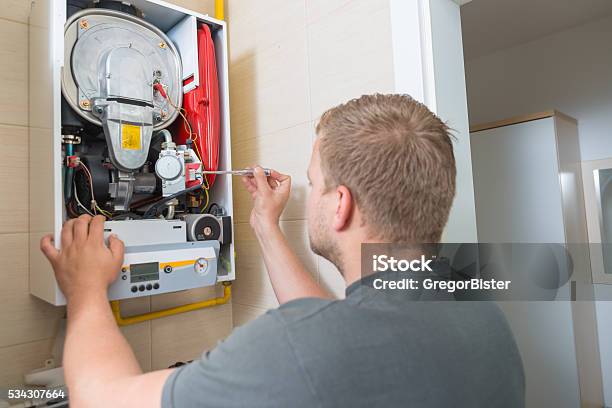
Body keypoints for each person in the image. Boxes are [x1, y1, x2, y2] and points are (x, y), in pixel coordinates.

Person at [41, 94, 525, 407]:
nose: (308, 191)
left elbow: (101, 398)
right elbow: (337, 331)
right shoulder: (482, 316)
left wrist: (84, 291)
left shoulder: (297, 350)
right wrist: (264, 225)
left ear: (340, 205)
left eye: (315, 183)